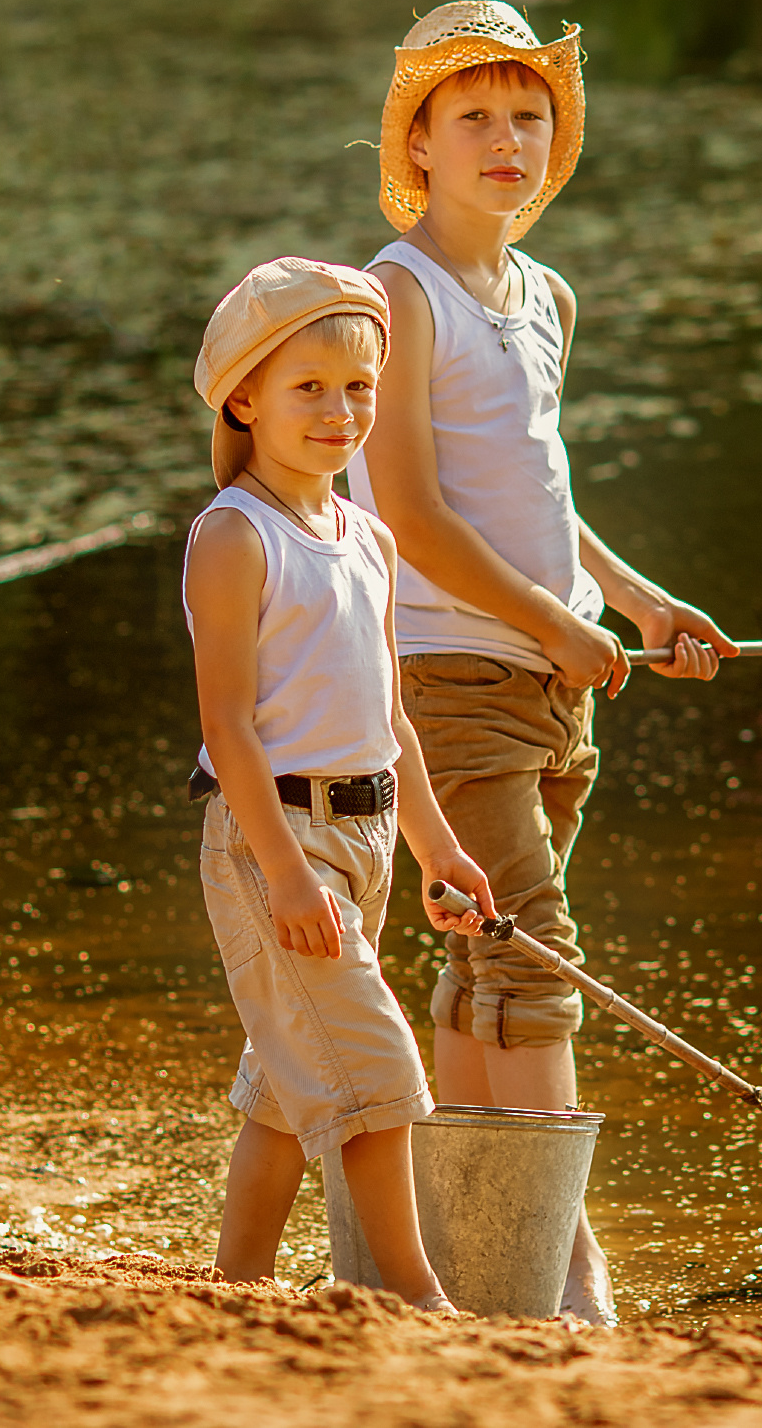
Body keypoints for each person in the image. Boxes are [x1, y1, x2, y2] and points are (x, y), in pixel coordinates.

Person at [347, 1, 738, 1325]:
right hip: (450, 671)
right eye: (476, 118)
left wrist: (631, 599)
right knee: (539, 951)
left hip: (553, 678)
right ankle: (567, 1266)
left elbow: (533, 487)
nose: (507, 139)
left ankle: (475, 1251)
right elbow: (408, 508)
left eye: (528, 116)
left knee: (479, 952)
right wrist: (554, 623)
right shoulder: (396, 294)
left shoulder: (544, 294)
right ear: (421, 141)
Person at [184, 255, 500, 1311]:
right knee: (373, 1070)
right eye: (307, 387)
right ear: (245, 398)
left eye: (358, 387)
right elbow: (225, 726)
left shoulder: (367, 537)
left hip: (362, 838)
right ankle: (414, 1295)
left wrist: (437, 849)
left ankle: (237, 1286)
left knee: (286, 1086)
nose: (338, 410)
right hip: (274, 835)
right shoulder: (235, 536)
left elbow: (390, 721)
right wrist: (280, 873)